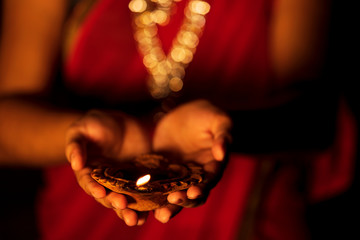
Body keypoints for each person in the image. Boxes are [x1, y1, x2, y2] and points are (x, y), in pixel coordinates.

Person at [0, 0, 356, 239]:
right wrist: (79, 137)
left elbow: (316, 119)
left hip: (250, 219)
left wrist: (224, 129)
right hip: (84, 221)